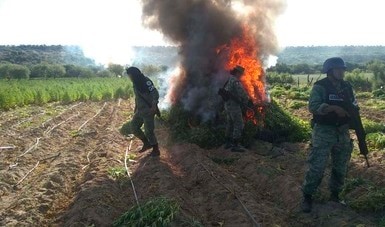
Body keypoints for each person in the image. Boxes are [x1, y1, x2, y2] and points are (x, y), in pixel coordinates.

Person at [301, 57, 356, 213]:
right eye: (338, 69)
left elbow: (353, 104)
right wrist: (332, 108)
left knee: (340, 166)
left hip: (342, 133)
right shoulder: (320, 87)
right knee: (317, 166)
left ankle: (335, 195)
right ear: (330, 71)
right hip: (324, 132)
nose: (342, 72)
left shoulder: (347, 86)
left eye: (343, 69)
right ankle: (308, 196)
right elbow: (313, 106)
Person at [126, 66, 160, 157]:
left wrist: (154, 105)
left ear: (134, 74)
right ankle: (146, 143)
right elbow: (137, 97)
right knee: (133, 127)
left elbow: (154, 92)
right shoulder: (135, 83)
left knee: (149, 131)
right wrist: (136, 107)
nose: (129, 78)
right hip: (140, 110)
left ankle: (156, 149)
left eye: (129, 75)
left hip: (149, 110)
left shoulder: (146, 81)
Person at [222, 65, 249, 152]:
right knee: (239, 124)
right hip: (233, 106)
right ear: (237, 72)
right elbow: (242, 93)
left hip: (227, 105)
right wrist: (246, 100)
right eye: (241, 73)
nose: (241, 75)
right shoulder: (235, 81)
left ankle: (227, 143)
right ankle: (235, 145)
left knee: (230, 123)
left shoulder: (229, 79)